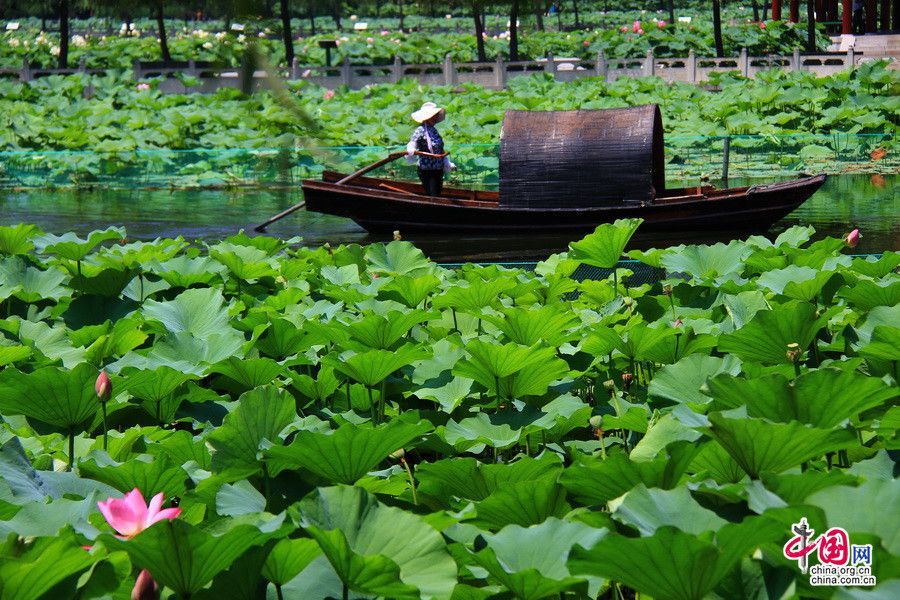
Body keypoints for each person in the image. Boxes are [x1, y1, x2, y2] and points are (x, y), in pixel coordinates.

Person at [407, 102, 455, 197]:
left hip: (438, 167)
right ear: (427, 117)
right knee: (433, 195)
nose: (435, 118)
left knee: (437, 193)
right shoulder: (420, 130)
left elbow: (439, 148)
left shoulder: (434, 130)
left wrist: (447, 162)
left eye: (436, 116)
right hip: (427, 169)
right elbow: (413, 142)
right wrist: (411, 149)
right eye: (433, 116)